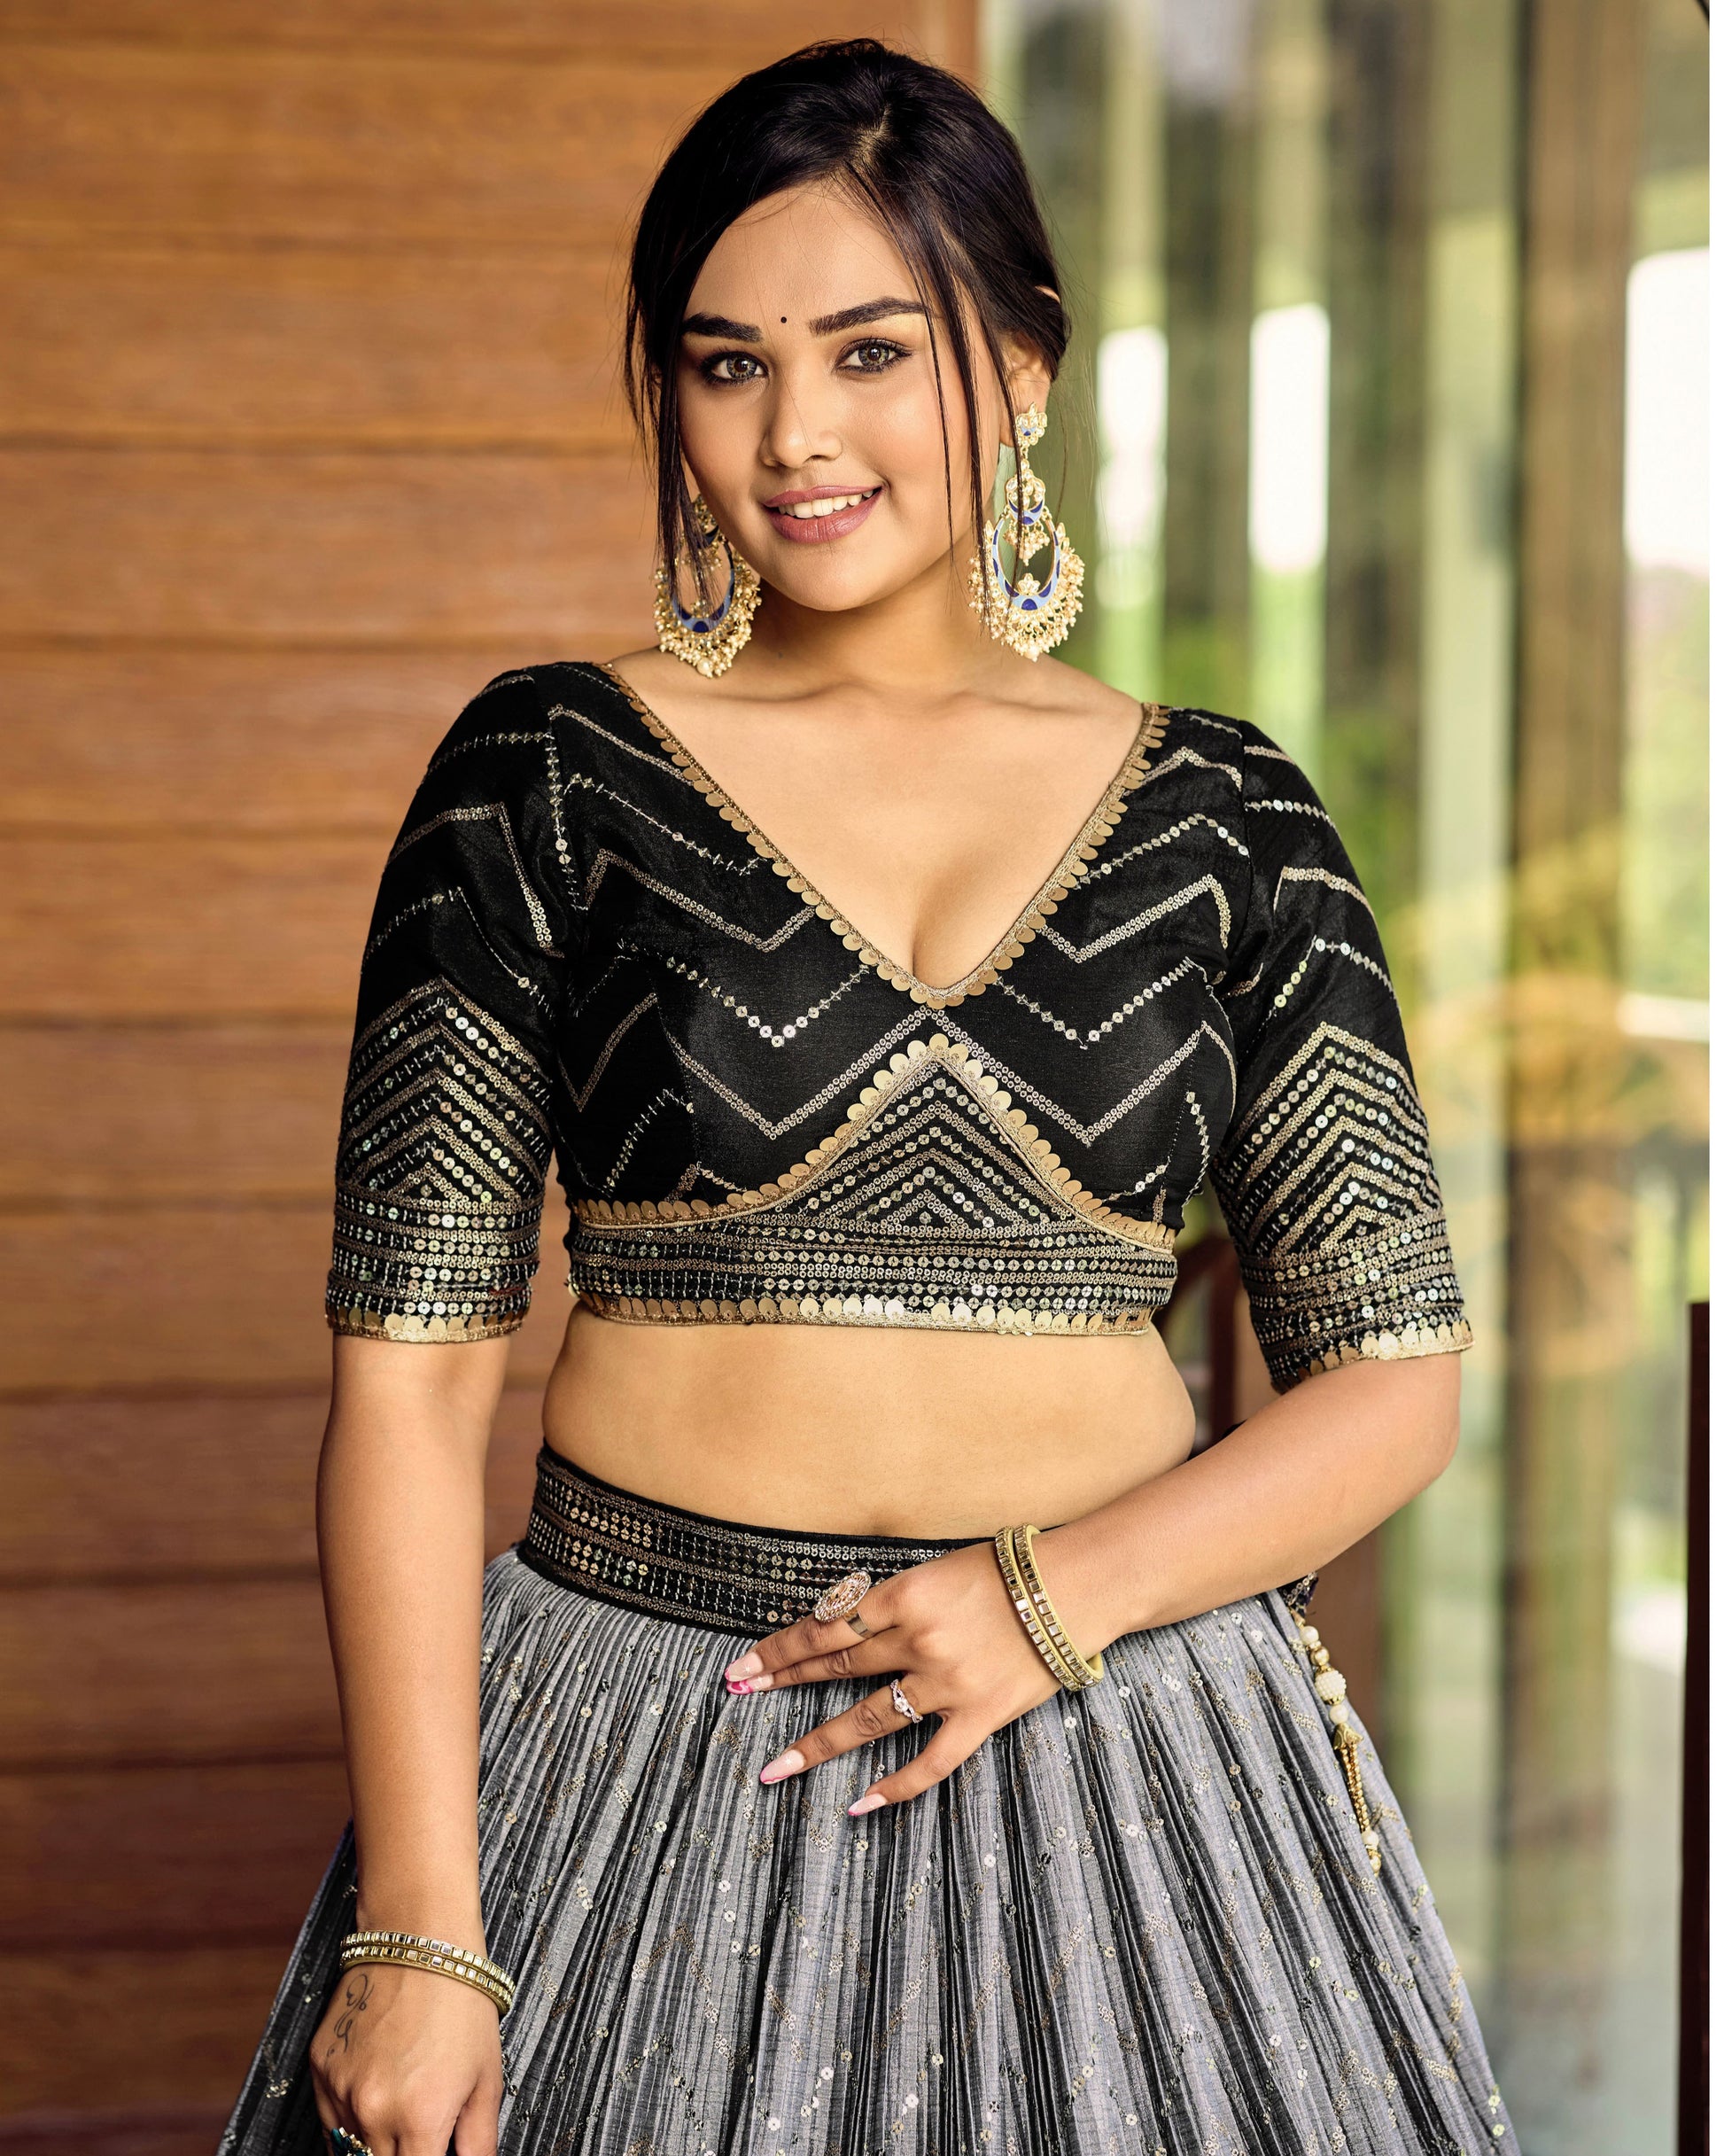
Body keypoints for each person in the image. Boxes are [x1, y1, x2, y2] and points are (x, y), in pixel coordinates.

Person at [223, 39, 1514, 2156]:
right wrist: (426, 1923)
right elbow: (409, 1389)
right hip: (650, 1743)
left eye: (867, 352)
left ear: (1016, 367)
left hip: (1134, 1751)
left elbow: (1391, 1380)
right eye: (725, 365)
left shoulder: (1230, 818)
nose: (793, 434)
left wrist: (1046, 1599)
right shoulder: (546, 774)